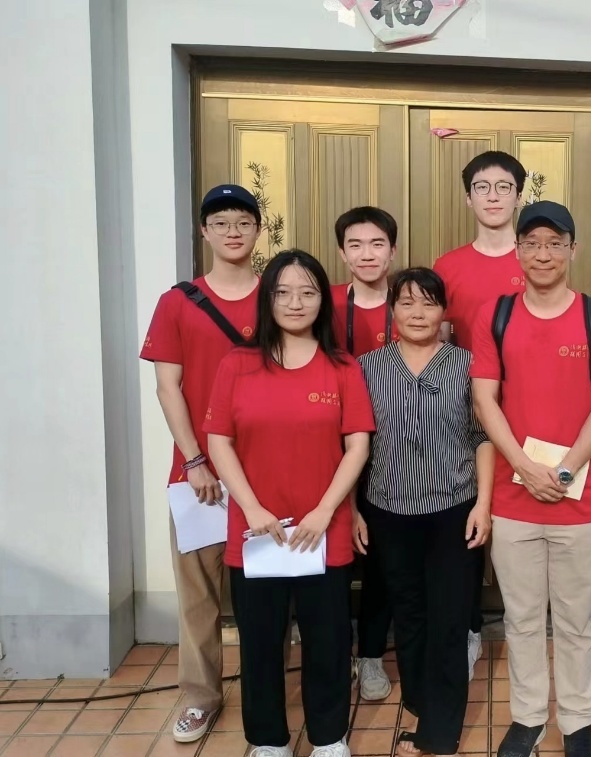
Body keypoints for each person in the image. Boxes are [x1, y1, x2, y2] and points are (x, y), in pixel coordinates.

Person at [471, 202, 591, 757]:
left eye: (555, 243)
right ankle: (528, 717)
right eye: (532, 243)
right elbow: (484, 400)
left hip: (579, 500)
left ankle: (578, 720)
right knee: (520, 618)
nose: (543, 254)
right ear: (518, 251)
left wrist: (562, 472)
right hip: (514, 498)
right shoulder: (495, 315)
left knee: (574, 620)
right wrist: (523, 466)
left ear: (572, 250)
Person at [205, 250, 375, 757]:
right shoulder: (237, 364)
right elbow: (219, 442)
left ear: (323, 300)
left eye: (307, 292)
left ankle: (328, 738)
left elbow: (358, 446)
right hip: (258, 532)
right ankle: (268, 741)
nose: (295, 302)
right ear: (268, 299)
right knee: (260, 643)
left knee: (328, 641)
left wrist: (324, 511)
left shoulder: (342, 367)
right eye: (282, 292)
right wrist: (252, 508)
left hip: (324, 530)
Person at [140, 184, 262, 743]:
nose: (233, 231)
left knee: (267, 592)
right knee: (198, 596)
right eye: (221, 222)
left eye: (243, 221)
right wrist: (194, 459)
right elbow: (168, 387)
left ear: (258, 230)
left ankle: (266, 694)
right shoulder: (178, 302)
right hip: (200, 477)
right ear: (204, 231)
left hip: (266, 473)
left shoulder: (278, 296)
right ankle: (199, 697)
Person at [357, 267, 494, 757]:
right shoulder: (366, 367)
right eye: (407, 302)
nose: (418, 313)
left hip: (453, 509)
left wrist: (484, 503)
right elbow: (353, 444)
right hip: (387, 509)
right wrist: (353, 511)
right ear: (391, 309)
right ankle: (418, 698)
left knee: (450, 617)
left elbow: (483, 436)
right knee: (409, 612)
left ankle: (440, 731)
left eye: (429, 303)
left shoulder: (467, 365)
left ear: (444, 311)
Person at [433, 150, 528, 679]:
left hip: (529, 418)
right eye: (483, 187)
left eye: (503, 187)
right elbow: (440, 342)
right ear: (468, 197)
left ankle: (524, 632)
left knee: (521, 527)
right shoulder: (448, 266)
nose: (493, 197)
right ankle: (469, 629)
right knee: (468, 526)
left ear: (519, 196)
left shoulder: (534, 257)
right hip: (465, 422)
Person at [331, 206, 399, 702]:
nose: (367, 254)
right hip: (333, 441)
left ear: (392, 251)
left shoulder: (413, 300)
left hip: (399, 447)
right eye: (355, 245)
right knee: (338, 552)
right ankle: (339, 654)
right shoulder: (324, 302)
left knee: (380, 557)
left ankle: (372, 653)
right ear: (342, 253)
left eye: (377, 244)